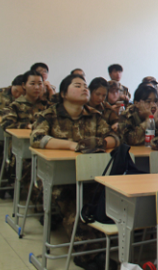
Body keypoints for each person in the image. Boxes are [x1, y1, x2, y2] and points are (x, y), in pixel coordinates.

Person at [30, 74, 120, 270]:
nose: (84, 89)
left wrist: (101, 143)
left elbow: (115, 137)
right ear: (63, 93)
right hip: (60, 179)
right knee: (77, 210)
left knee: (100, 206)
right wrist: (71, 145)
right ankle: (88, 256)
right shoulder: (50, 115)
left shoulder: (94, 115)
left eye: (85, 86)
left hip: (91, 177)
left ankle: (96, 251)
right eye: (78, 85)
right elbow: (37, 138)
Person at [118, 84, 158, 148]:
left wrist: (156, 120)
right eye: (148, 102)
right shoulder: (127, 115)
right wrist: (148, 120)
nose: (153, 105)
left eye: (155, 102)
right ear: (136, 103)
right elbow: (130, 140)